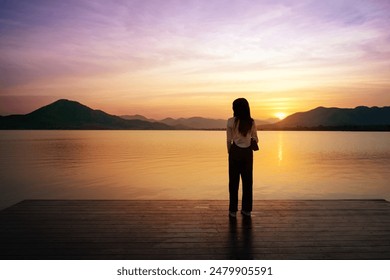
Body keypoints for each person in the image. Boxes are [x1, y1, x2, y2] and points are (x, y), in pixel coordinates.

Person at [226, 98, 258, 218]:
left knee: (233, 182)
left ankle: (233, 210)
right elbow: (255, 138)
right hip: (247, 154)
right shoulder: (251, 122)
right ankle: (246, 210)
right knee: (248, 182)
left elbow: (228, 140)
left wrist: (230, 153)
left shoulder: (230, 121)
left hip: (235, 152)